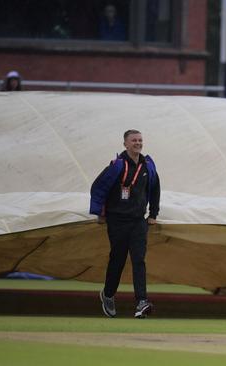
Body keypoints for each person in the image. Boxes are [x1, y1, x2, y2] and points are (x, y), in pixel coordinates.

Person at [90, 129, 161, 318]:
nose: (138, 143)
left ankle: (141, 302)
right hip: (117, 220)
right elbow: (98, 187)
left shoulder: (148, 166)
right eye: (133, 140)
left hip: (138, 221)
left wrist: (153, 213)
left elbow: (155, 189)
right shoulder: (117, 165)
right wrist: (99, 213)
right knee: (118, 260)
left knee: (139, 260)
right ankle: (108, 294)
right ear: (125, 144)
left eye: (140, 140)